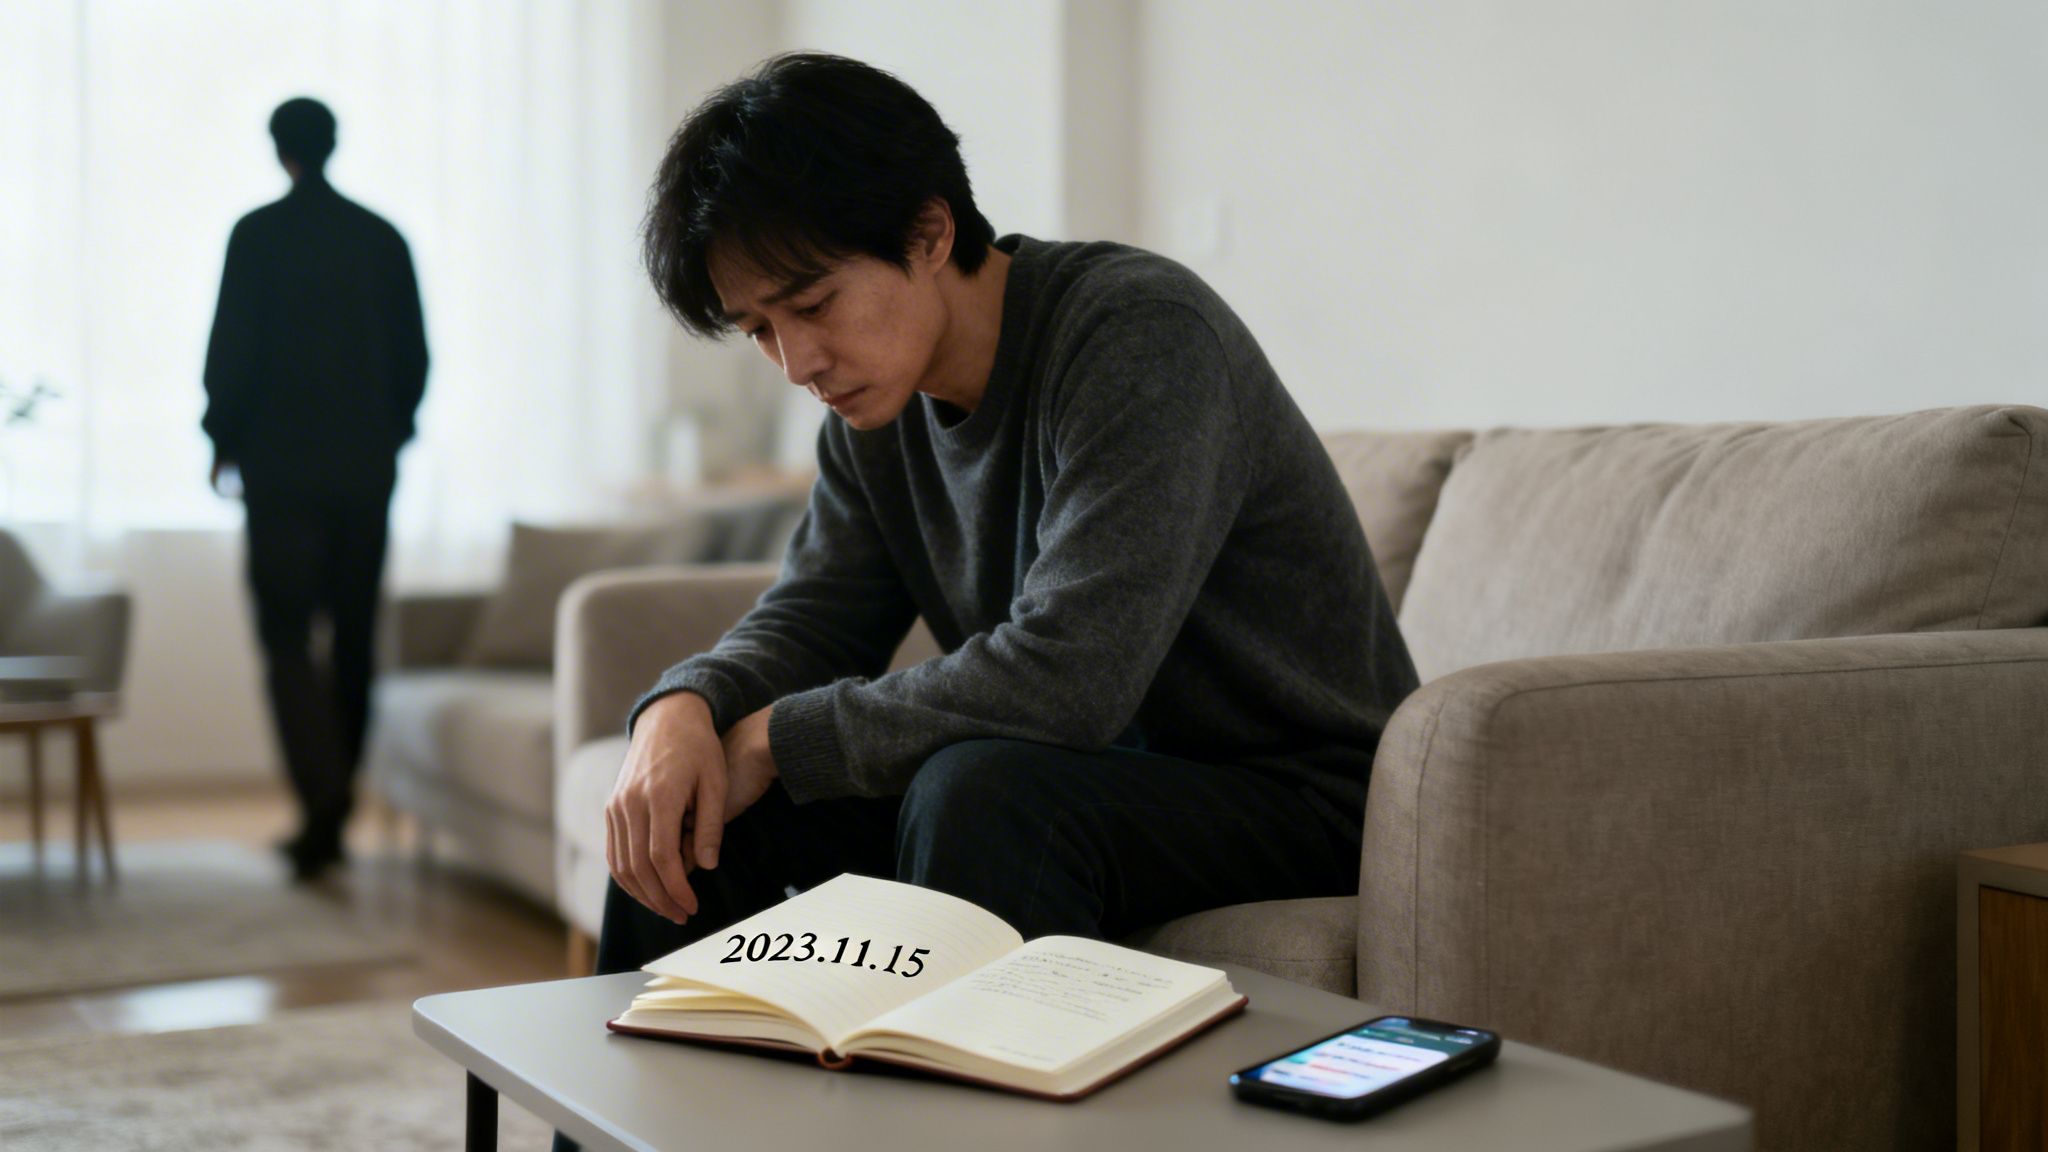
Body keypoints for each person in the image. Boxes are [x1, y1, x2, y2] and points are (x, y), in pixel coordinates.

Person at [596, 48, 1417, 980]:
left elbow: (1071, 675)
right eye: (759, 332)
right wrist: (684, 707)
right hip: (1099, 772)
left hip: (1302, 793)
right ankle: (646, 1126)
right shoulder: (874, 411)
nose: (796, 363)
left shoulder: (1139, 336)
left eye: (814, 304)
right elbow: (816, 616)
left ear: (930, 232)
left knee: (981, 794)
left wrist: (779, 738)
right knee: (690, 808)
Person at [202, 97, 428, 881]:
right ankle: (332, 806)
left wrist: (220, 442)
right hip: (366, 476)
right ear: (333, 144)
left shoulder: (257, 236)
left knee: (287, 639)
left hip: (281, 475)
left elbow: (232, 351)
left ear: (278, 150)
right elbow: (415, 362)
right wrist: (389, 439)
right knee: (355, 639)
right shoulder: (382, 239)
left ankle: (322, 806)